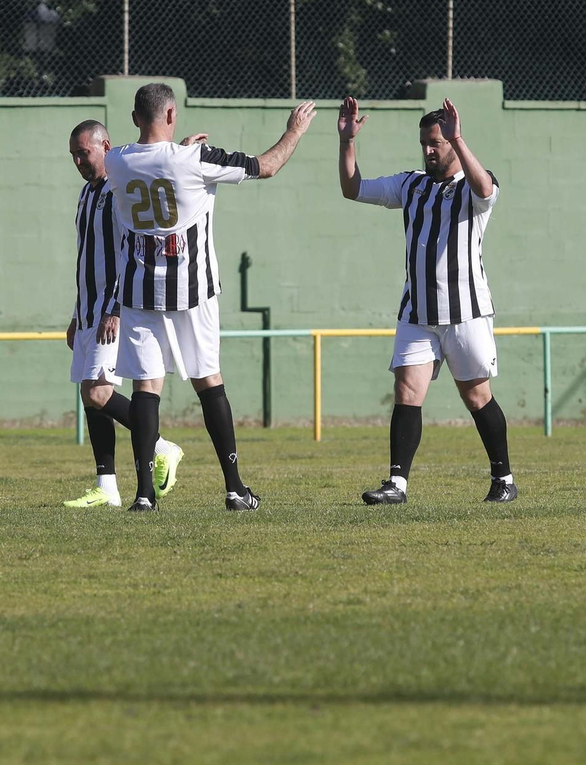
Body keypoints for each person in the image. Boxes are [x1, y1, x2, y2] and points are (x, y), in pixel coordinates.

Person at [104, 83, 316, 511]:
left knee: (146, 387)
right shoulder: (196, 158)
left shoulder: (116, 160)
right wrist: (294, 131)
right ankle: (235, 489)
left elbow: (157, 166)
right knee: (208, 382)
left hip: (139, 288)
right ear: (171, 115)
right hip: (191, 289)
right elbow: (267, 166)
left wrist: (178, 153)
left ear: (134, 119)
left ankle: (145, 495)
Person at [337, 96, 516, 505]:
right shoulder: (411, 184)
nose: (429, 150)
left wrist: (460, 138)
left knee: (476, 396)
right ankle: (396, 484)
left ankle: (503, 478)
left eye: (436, 142)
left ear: (453, 142)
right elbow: (353, 189)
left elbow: (486, 189)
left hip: (465, 311)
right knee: (406, 391)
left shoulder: (473, 185)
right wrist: (348, 142)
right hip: (417, 312)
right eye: (426, 143)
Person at [62, 120, 185, 508]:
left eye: (85, 152)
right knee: (89, 393)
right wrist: (76, 311)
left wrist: (114, 307)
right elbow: (89, 259)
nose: (80, 160)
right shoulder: (86, 194)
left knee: (98, 392)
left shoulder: (118, 193)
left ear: (106, 146)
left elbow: (128, 251)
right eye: (74, 155)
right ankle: (107, 487)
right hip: (88, 309)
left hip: (111, 310)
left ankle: (162, 445)